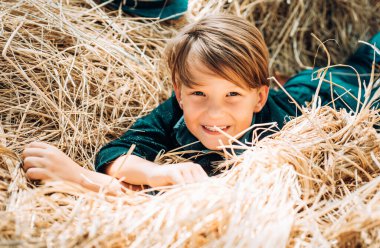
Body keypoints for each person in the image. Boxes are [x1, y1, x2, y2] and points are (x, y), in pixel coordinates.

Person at [22, 14, 379, 194]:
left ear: (258, 98)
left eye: (232, 95)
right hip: (291, 88)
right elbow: (116, 153)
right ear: (179, 92)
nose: (214, 113)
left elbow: (214, 201)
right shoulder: (176, 112)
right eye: (199, 94)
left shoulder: (279, 135)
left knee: (367, 62)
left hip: (334, 94)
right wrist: (154, 173)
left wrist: (81, 180)